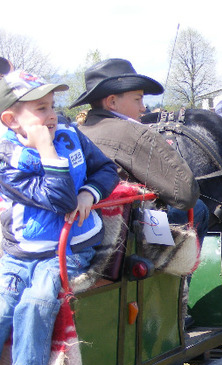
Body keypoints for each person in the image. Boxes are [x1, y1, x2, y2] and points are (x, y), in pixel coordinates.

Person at [0, 70, 119, 365]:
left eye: (52, 106)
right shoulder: (8, 157)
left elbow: (105, 169)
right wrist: (46, 150)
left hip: (71, 249)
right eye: (40, 109)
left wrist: (91, 194)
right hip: (23, 250)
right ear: (10, 120)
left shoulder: (70, 136)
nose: (52, 115)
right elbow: (58, 198)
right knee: (4, 304)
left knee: (36, 301)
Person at [70, 59, 209, 246]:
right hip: (123, 238)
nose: (143, 108)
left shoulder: (79, 132)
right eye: (137, 99)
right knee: (198, 208)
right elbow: (186, 193)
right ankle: (177, 274)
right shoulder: (133, 132)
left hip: (84, 231)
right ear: (112, 102)